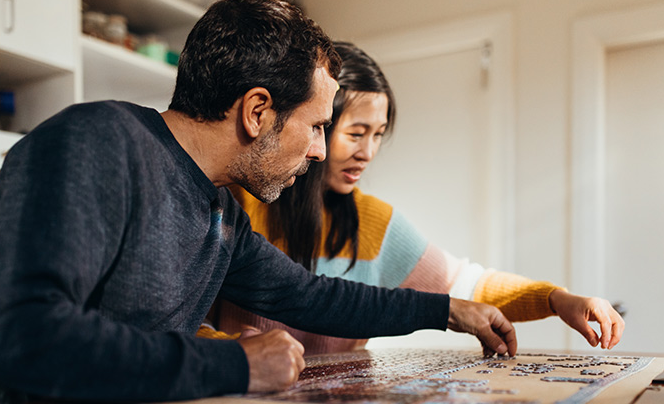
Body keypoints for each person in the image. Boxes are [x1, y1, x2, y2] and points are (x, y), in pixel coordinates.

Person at [0, 0, 518, 404]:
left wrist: (444, 311)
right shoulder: (94, 144)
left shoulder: (220, 211)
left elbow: (310, 297)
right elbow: (17, 338)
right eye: (316, 126)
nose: (320, 151)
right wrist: (234, 363)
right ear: (256, 111)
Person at [207, 41, 625, 355]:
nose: (367, 152)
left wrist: (558, 298)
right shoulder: (240, 206)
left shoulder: (374, 222)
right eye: (355, 133)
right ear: (319, 124)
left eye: (378, 135)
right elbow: (182, 319)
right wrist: (231, 353)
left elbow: (466, 284)